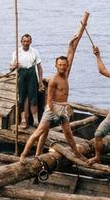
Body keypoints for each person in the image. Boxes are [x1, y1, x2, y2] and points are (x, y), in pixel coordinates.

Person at [19, 15, 89, 162]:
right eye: (60, 65)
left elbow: (71, 53)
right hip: (52, 110)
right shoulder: (54, 80)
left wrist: (71, 44)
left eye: (65, 65)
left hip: (62, 109)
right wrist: (54, 114)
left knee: (68, 134)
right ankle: (24, 155)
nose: (63, 67)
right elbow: (49, 100)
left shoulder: (66, 74)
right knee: (39, 133)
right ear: (56, 66)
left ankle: (76, 153)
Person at [10, 34, 44, 129]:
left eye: (27, 41)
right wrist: (14, 66)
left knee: (33, 98)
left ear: (30, 42)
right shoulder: (17, 52)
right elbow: (11, 68)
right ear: (21, 42)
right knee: (21, 99)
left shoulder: (34, 52)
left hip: (32, 74)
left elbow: (39, 68)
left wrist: (40, 82)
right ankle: (23, 120)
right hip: (21, 74)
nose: (25, 43)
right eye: (24, 41)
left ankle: (36, 121)